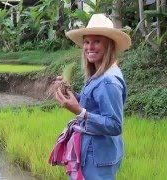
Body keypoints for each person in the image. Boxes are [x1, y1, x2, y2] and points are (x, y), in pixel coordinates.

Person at [54, 14, 131, 180]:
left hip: (98, 157)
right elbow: (92, 103)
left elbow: (114, 125)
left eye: (97, 41)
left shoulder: (108, 81)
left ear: (108, 45)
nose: (90, 47)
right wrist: (69, 92)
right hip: (96, 153)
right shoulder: (100, 74)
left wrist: (80, 112)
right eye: (87, 42)